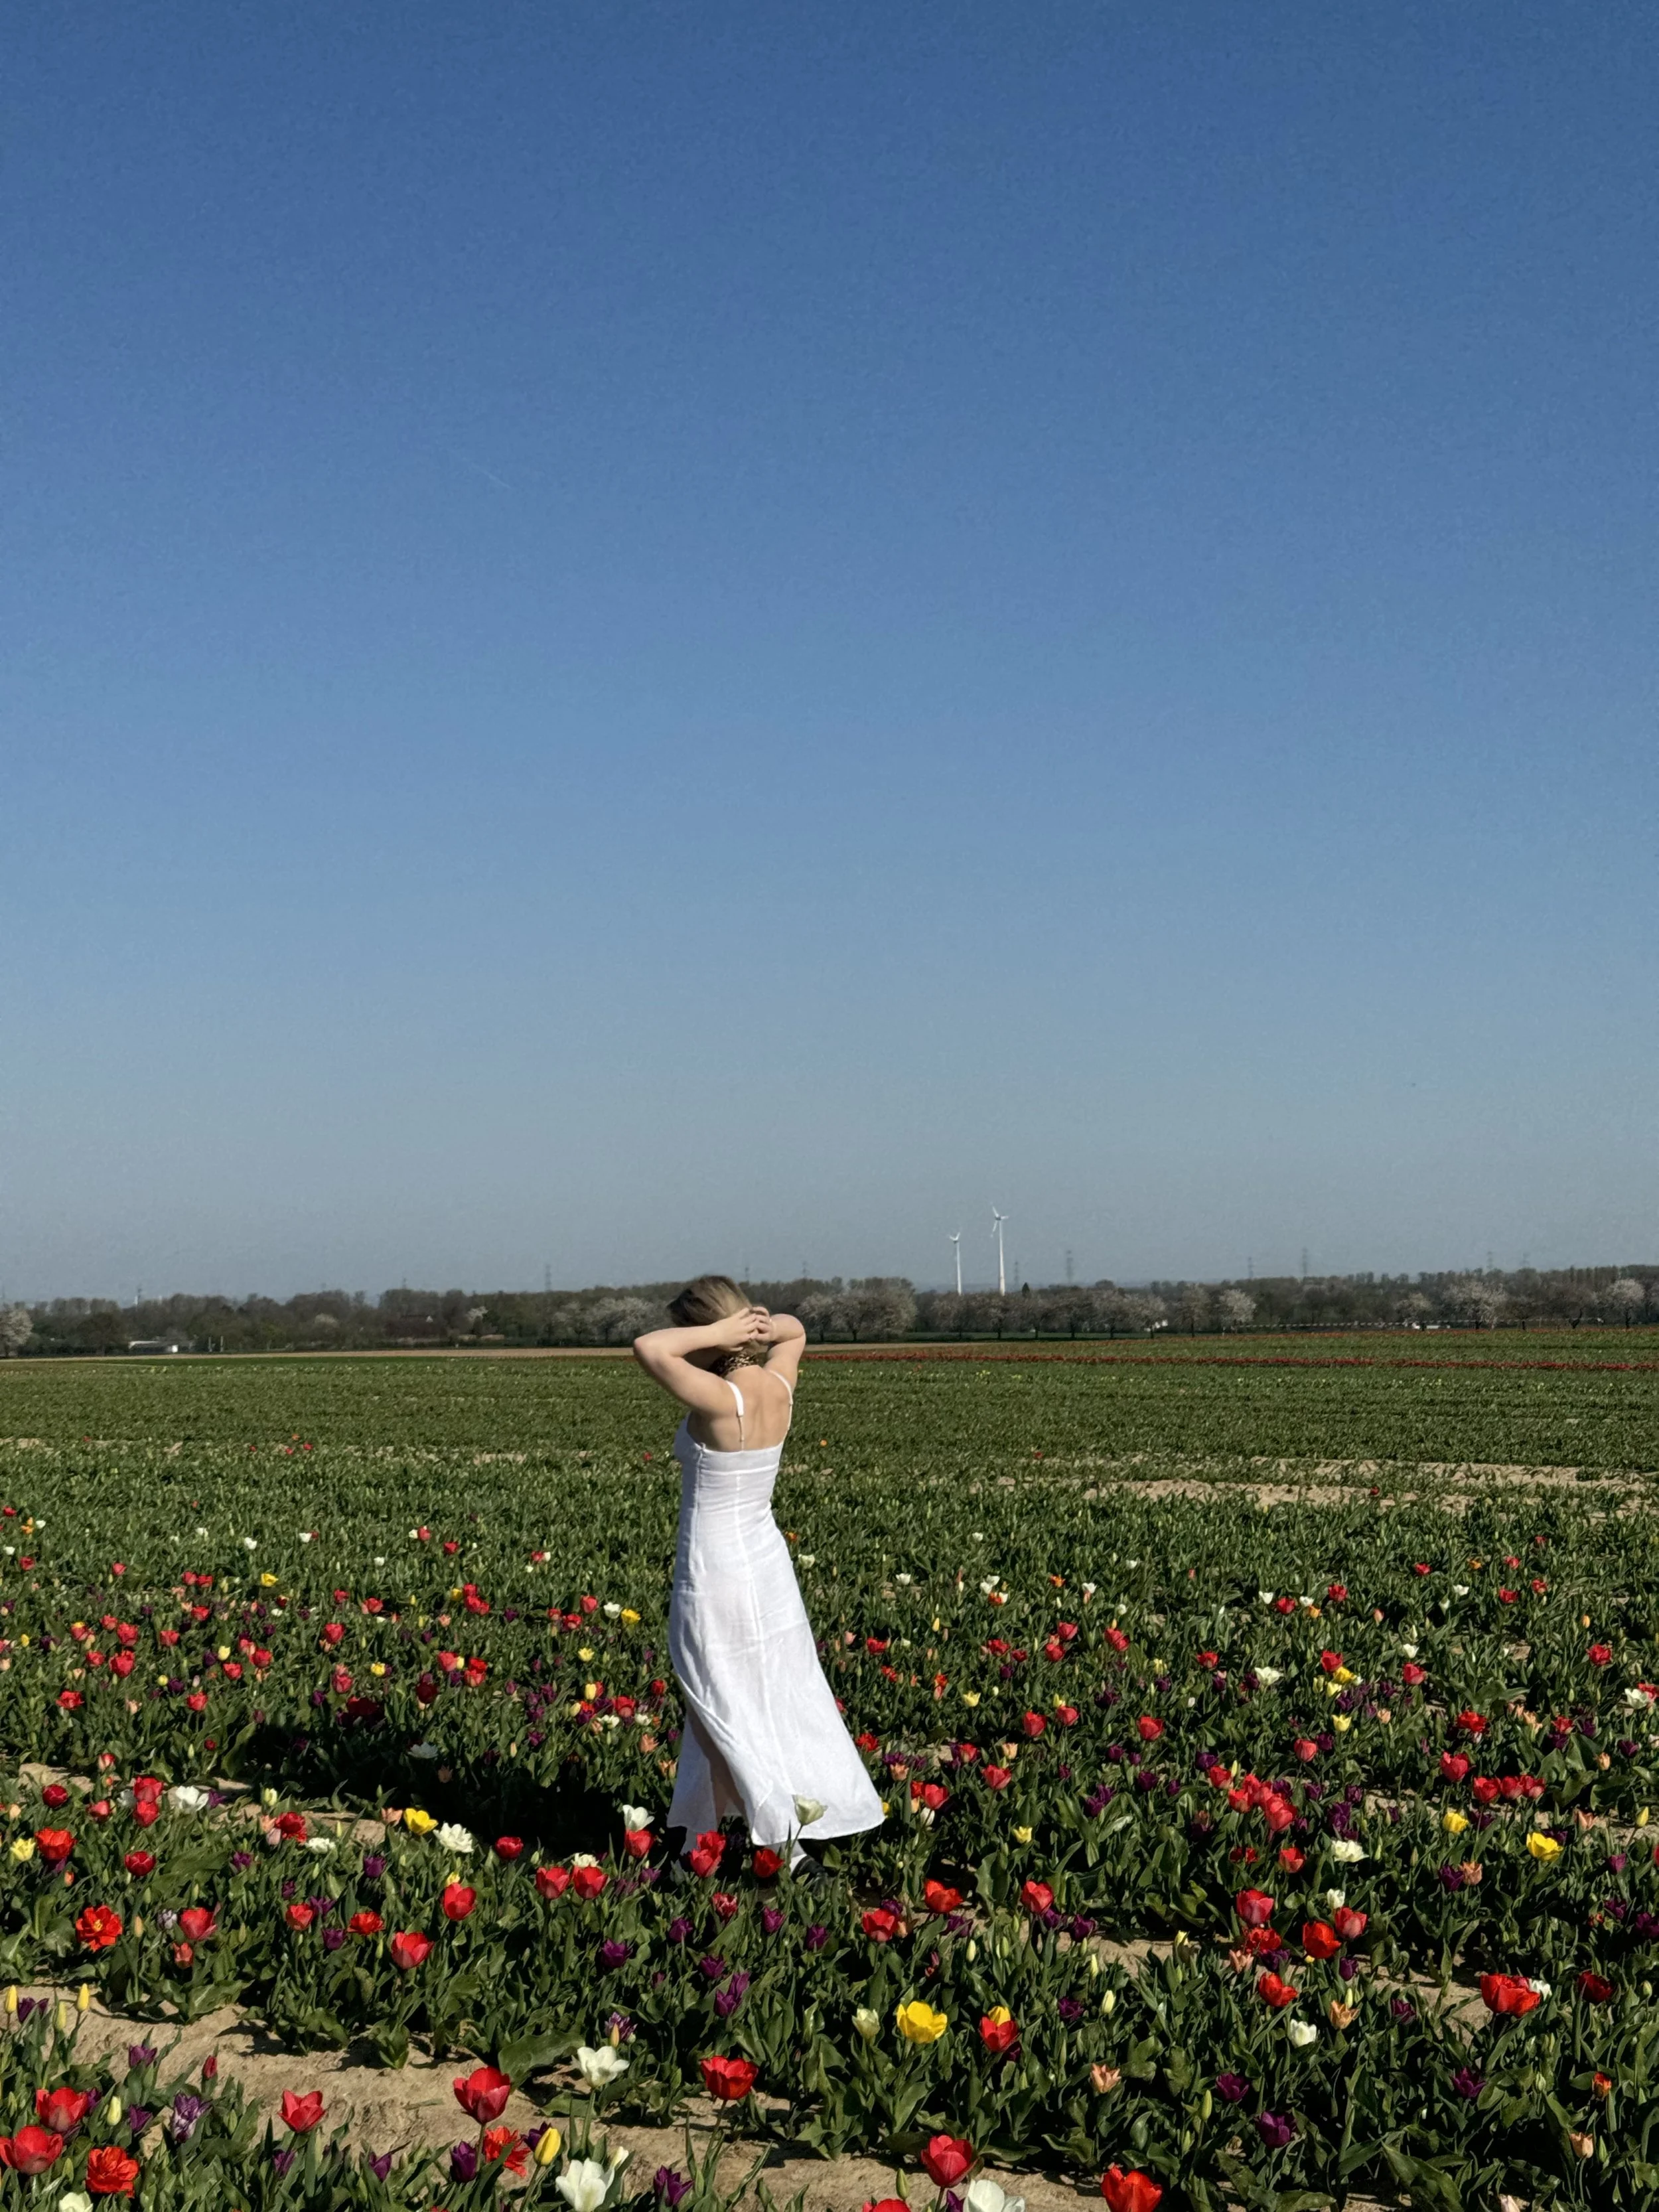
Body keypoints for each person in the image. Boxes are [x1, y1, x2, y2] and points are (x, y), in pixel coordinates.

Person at [633, 1276, 883, 1876]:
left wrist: (721, 1333)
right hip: (766, 1566)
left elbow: (649, 1346)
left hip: (713, 1569)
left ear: (710, 1333)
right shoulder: (777, 1384)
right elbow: (796, 1332)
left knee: (719, 1700)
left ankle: (786, 1848)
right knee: (736, 1699)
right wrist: (763, 1327)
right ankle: (692, 1841)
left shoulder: (721, 1398)